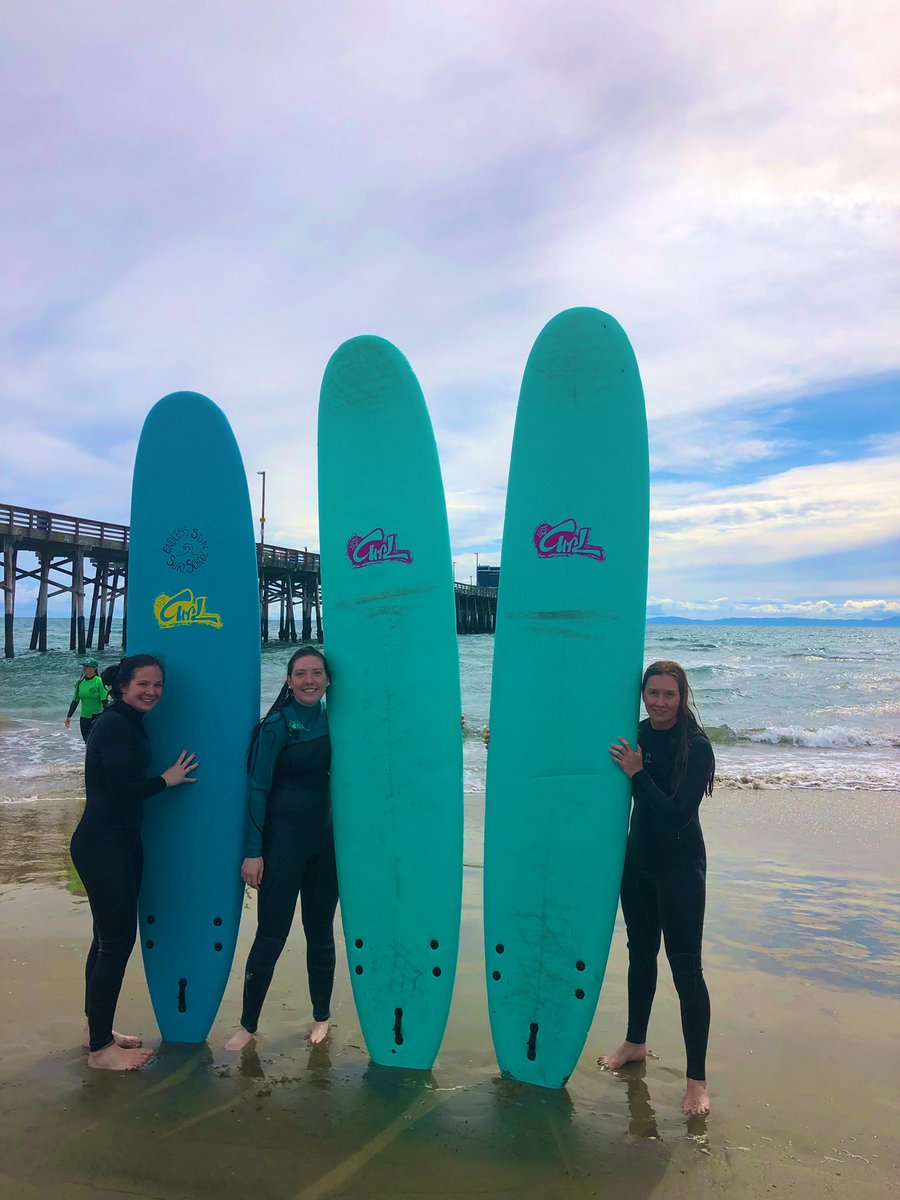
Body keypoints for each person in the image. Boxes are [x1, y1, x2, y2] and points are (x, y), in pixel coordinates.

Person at [70, 654, 198, 1070]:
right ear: (122, 686)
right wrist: (167, 779)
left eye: (158, 685)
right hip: (103, 844)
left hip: (119, 843)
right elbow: (123, 788)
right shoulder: (112, 725)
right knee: (116, 942)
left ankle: (96, 1032)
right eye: (143, 684)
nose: (152, 692)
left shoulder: (125, 723)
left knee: (105, 939)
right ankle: (102, 1050)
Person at [600, 660, 715, 1118]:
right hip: (638, 865)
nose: (660, 703)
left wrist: (637, 774)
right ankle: (635, 1043)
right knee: (640, 954)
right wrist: (502, 741)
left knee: (686, 971)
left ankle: (697, 1082)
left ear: (682, 695)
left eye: (669, 694)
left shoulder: (698, 746)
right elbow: (575, 764)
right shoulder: (637, 735)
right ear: (642, 694)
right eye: (653, 694)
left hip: (680, 868)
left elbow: (676, 814)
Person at [225, 647, 338, 1052]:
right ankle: (247, 1025)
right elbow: (257, 792)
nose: (310, 680)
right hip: (281, 846)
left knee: (321, 933)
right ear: (289, 681)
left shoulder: (336, 720)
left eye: (317, 673)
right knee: (271, 935)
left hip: (325, 846)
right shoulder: (275, 726)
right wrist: (252, 852)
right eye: (301, 674)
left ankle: (322, 1017)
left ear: (328, 680)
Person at [65, 658, 108, 742]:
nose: (84, 668)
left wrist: (107, 718)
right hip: (84, 718)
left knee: (95, 742)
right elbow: (75, 701)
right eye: (84, 666)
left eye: (87, 666)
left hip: (97, 717)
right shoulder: (80, 683)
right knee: (87, 742)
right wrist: (69, 716)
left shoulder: (99, 681)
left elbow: (105, 701)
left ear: (94, 668)